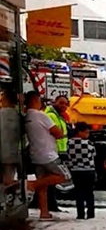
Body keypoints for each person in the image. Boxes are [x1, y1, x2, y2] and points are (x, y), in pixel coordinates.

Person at [23, 91, 70, 220]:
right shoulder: (41, 116)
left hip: (35, 153)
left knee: (43, 187)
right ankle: (32, 184)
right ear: (36, 100)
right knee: (64, 176)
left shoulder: (26, 116)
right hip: (48, 154)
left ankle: (44, 212)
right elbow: (57, 133)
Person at [67, 122, 96, 220]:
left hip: (75, 170)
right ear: (80, 132)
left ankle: (80, 214)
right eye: (87, 133)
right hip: (88, 170)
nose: (88, 135)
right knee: (89, 193)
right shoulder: (88, 143)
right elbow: (93, 154)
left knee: (79, 193)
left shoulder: (69, 143)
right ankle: (90, 214)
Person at [0, 88, 20, 188]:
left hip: (2, 151)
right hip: (12, 153)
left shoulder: (1, 113)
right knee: (8, 181)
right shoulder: (18, 115)